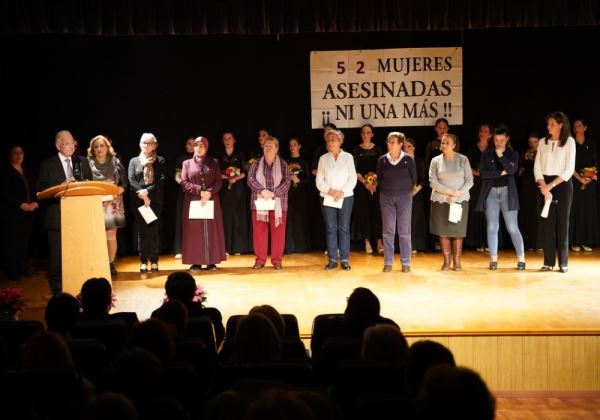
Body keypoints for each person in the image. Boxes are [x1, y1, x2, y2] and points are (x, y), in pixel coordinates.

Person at [37, 130, 92, 295]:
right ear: (57, 146)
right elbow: (40, 190)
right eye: (66, 143)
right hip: (56, 216)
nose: (71, 146)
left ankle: (80, 288)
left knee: (78, 255)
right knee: (57, 258)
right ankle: (58, 292)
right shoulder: (47, 165)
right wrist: (61, 186)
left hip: (79, 216)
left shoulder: (82, 161)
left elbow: (90, 183)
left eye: (72, 142)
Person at [475, 124, 526, 270]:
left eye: (502, 140)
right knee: (492, 227)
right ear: (493, 139)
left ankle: (521, 258)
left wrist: (500, 156)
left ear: (507, 139)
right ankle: (493, 259)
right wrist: (499, 173)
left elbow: (511, 170)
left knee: (512, 227)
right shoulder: (486, 154)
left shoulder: (513, 154)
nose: (499, 143)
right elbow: (483, 174)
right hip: (491, 193)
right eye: (496, 140)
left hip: (507, 193)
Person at [534, 111, 576, 273]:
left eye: (552, 123)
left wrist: (550, 186)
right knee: (547, 224)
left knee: (562, 223)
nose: (548, 126)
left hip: (562, 185)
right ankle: (548, 261)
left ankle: (563, 262)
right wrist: (543, 185)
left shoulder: (569, 142)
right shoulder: (543, 142)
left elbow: (569, 169)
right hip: (544, 185)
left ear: (561, 125)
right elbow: (537, 167)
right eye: (547, 124)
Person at [180, 136, 227, 270]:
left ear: (206, 148)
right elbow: (184, 182)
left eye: (201, 146)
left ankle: (212, 261)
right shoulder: (186, 163)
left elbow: (218, 181)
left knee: (211, 230)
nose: (198, 148)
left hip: (211, 199)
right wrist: (200, 191)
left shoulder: (213, 162)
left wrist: (209, 193)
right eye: (196, 145)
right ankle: (196, 261)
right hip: (194, 199)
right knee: (195, 231)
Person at [429, 133, 473, 271]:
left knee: (457, 231)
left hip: (459, 200)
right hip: (441, 199)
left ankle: (457, 262)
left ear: (454, 145)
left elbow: (469, 181)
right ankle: (446, 261)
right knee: (443, 231)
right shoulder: (435, 161)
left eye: (447, 142)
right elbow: (432, 182)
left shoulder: (463, 159)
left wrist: (458, 193)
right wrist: (449, 192)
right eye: (443, 142)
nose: (444, 144)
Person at [247, 136, 291, 270]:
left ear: (277, 148)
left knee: (278, 232)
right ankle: (260, 260)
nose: (268, 148)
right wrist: (263, 191)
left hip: (278, 202)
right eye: (266, 146)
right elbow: (250, 179)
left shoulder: (283, 164)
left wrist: (274, 193)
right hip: (260, 201)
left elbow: (287, 182)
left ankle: (277, 260)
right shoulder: (256, 164)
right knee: (259, 232)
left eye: (271, 146)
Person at [316, 129, 357, 270]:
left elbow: (352, 178)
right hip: (328, 197)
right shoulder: (323, 159)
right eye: (328, 140)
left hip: (345, 197)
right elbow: (319, 180)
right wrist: (331, 191)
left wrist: (341, 192)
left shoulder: (348, 157)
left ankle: (344, 259)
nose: (330, 142)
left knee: (344, 228)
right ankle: (332, 259)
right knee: (331, 228)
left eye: (333, 139)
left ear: (340, 141)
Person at [87, 135, 127, 277]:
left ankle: (110, 263)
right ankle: (98, 262)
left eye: (101, 146)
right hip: (95, 202)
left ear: (107, 147)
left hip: (113, 202)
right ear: (92, 149)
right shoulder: (88, 163)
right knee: (97, 234)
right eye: (96, 146)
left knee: (111, 233)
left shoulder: (115, 162)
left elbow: (124, 183)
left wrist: (119, 190)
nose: (99, 149)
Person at [377, 132, 416, 273]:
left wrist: (404, 191)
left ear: (400, 144)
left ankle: (405, 262)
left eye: (393, 142)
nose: (390, 144)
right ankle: (388, 262)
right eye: (388, 141)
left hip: (404, 197)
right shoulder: (382, 160)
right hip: (386, 197)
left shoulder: (408, 160)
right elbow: (379, 178)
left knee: (404, 231)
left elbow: (414, 179)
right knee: (388, 231)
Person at [128, 133, 166, 273]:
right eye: (143, 142)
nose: (146, 145)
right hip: (138, 201)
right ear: (139, 144)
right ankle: (143, 261)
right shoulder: (134, 161)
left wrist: (147, 192)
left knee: (153, 231)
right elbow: (131, 180)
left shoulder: (160, 160)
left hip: (154, 200)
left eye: (149, 143)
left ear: (154, 145)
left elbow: (161, 180)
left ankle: (154, 261)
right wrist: (142, 193)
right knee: (142, 232)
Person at [1, 145, 38, 279]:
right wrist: (20, 204)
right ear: (9, 156)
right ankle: (12, 271)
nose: (19, 155)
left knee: (25, 242)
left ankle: (23, 268)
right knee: (13, 242)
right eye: (15, 153)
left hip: (29, 212)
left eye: (21, 152)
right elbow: (5, 194)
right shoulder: (6, 173)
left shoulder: (27, 171)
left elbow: (34, 189)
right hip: (13, 213)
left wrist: (35, 202)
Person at [215, 131, 251, 255]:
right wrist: (226, 177)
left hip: (238, 187)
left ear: (234, 140)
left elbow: (245, 172)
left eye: (229, 138)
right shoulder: (219, 154)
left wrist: (235, 178)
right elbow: (216, 172)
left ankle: (238, 247)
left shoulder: (240, 153)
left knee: (238, 215)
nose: (227, 140)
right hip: (224, 188)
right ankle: (225, 248)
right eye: (225, 138)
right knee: (225, 216)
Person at [351, 123, 384, 254]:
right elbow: (355, 169)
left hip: (376, 186)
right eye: (363, 133)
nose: (366, 135)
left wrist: (374, 182)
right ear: (361, 135)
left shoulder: (378, 149)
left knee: (377, 213)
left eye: (368, 132)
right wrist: (365, 182)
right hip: (362, 187)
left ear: (372, 134)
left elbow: (381, 167)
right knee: (364, 214)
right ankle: (367, 242)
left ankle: (379, 241)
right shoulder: (356, 150)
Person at [569, 119, 598, 251]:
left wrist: (588, 177)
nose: (576, 128)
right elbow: (568, 164)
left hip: (589, 182)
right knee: (575, 209)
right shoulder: (571, 144)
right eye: (575, 126)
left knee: (587, 210)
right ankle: (574, 241)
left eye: (579, 126)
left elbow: (595, 162)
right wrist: (579, 177)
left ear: (585, 128)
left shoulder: (591, 144)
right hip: (574, 181)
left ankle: (585, 241)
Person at [466, 123, 493, 251]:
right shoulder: (472, 148)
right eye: (481, 130)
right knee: (476, 211)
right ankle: (477, 241)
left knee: (489, 212)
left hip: (489, 184)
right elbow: (467, 167)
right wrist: (479, 173)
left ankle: (488, 241)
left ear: (490, 135)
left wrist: (483, 173)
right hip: (475, 184)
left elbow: (495, 169)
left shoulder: (492, 149)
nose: (482, 133)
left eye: (486, 131)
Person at [424, 118, 450, 251]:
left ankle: (450, 238)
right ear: (435, 129)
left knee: (449, 211)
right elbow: (427, 163)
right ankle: (436, 240)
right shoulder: (431, 144)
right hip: (437, 182)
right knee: (437, 213)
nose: (442, 130)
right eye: (439, 127)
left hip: (450, 183)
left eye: (444, 127)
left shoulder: (452, 143)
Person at [285, 136, 311, 253]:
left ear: (299, 146)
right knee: (290, 218)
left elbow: (309, 180)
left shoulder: (304, 161)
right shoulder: (285, 161)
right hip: (289, 193)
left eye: (294, 144)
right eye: (290, 145)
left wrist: (299, 180)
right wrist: (289, 178)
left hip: (301, 193)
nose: (292, 147)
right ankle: (290, 247)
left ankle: (301, 246)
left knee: (300, 218)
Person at [517, 132, 542, 251]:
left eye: (535, 142)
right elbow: (520, 171)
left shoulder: (544, 153)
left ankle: (539, 243)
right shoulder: (525, 154)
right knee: (527, 213)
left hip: (539, 185)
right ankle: (528, 243)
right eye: (530, 142)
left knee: (538, 213)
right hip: (527, 186)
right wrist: (522, 166)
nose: (532, 145)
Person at [403, 138, 427, 252]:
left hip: (416, 194)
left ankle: (415, 244)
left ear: (414, 148)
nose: (406, 149)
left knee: (415, 219)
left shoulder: (419, 161)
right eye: (404, 147)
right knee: (404, 220)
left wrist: (415, 191)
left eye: (409, 146)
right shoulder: (401, 161)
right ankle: (403, 245)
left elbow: (423, 180)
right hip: (402, 194)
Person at [173, 137, 195, 259]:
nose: (191, 146)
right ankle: (179, 248)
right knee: (181, 218)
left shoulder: (201, 159)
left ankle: (195, 247)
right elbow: (177, 175)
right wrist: (184, 184)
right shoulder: (181, 159)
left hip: (196, 192)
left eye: (194, 144)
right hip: (184, 191)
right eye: (189, 144)